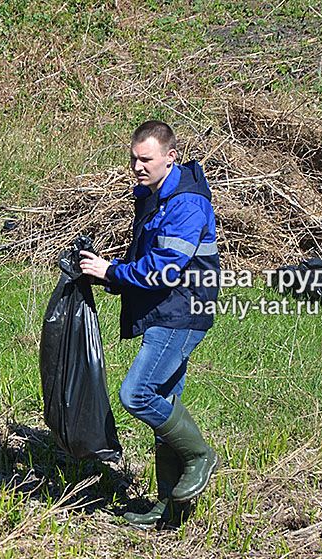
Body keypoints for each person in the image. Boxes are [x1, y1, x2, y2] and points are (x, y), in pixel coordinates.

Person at [79, 120, 220, 527]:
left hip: (183, 311)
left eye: (146, 160)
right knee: (165, 402)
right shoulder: (152, 193)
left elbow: (165, 269)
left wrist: (112, 273)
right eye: (133, 159)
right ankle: (170, 509)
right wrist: (106, 271)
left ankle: (200, 456)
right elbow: (146, 254)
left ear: (170, 157)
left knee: (137, 394)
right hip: (166, 308)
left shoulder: (186, 204)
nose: (138, 167)